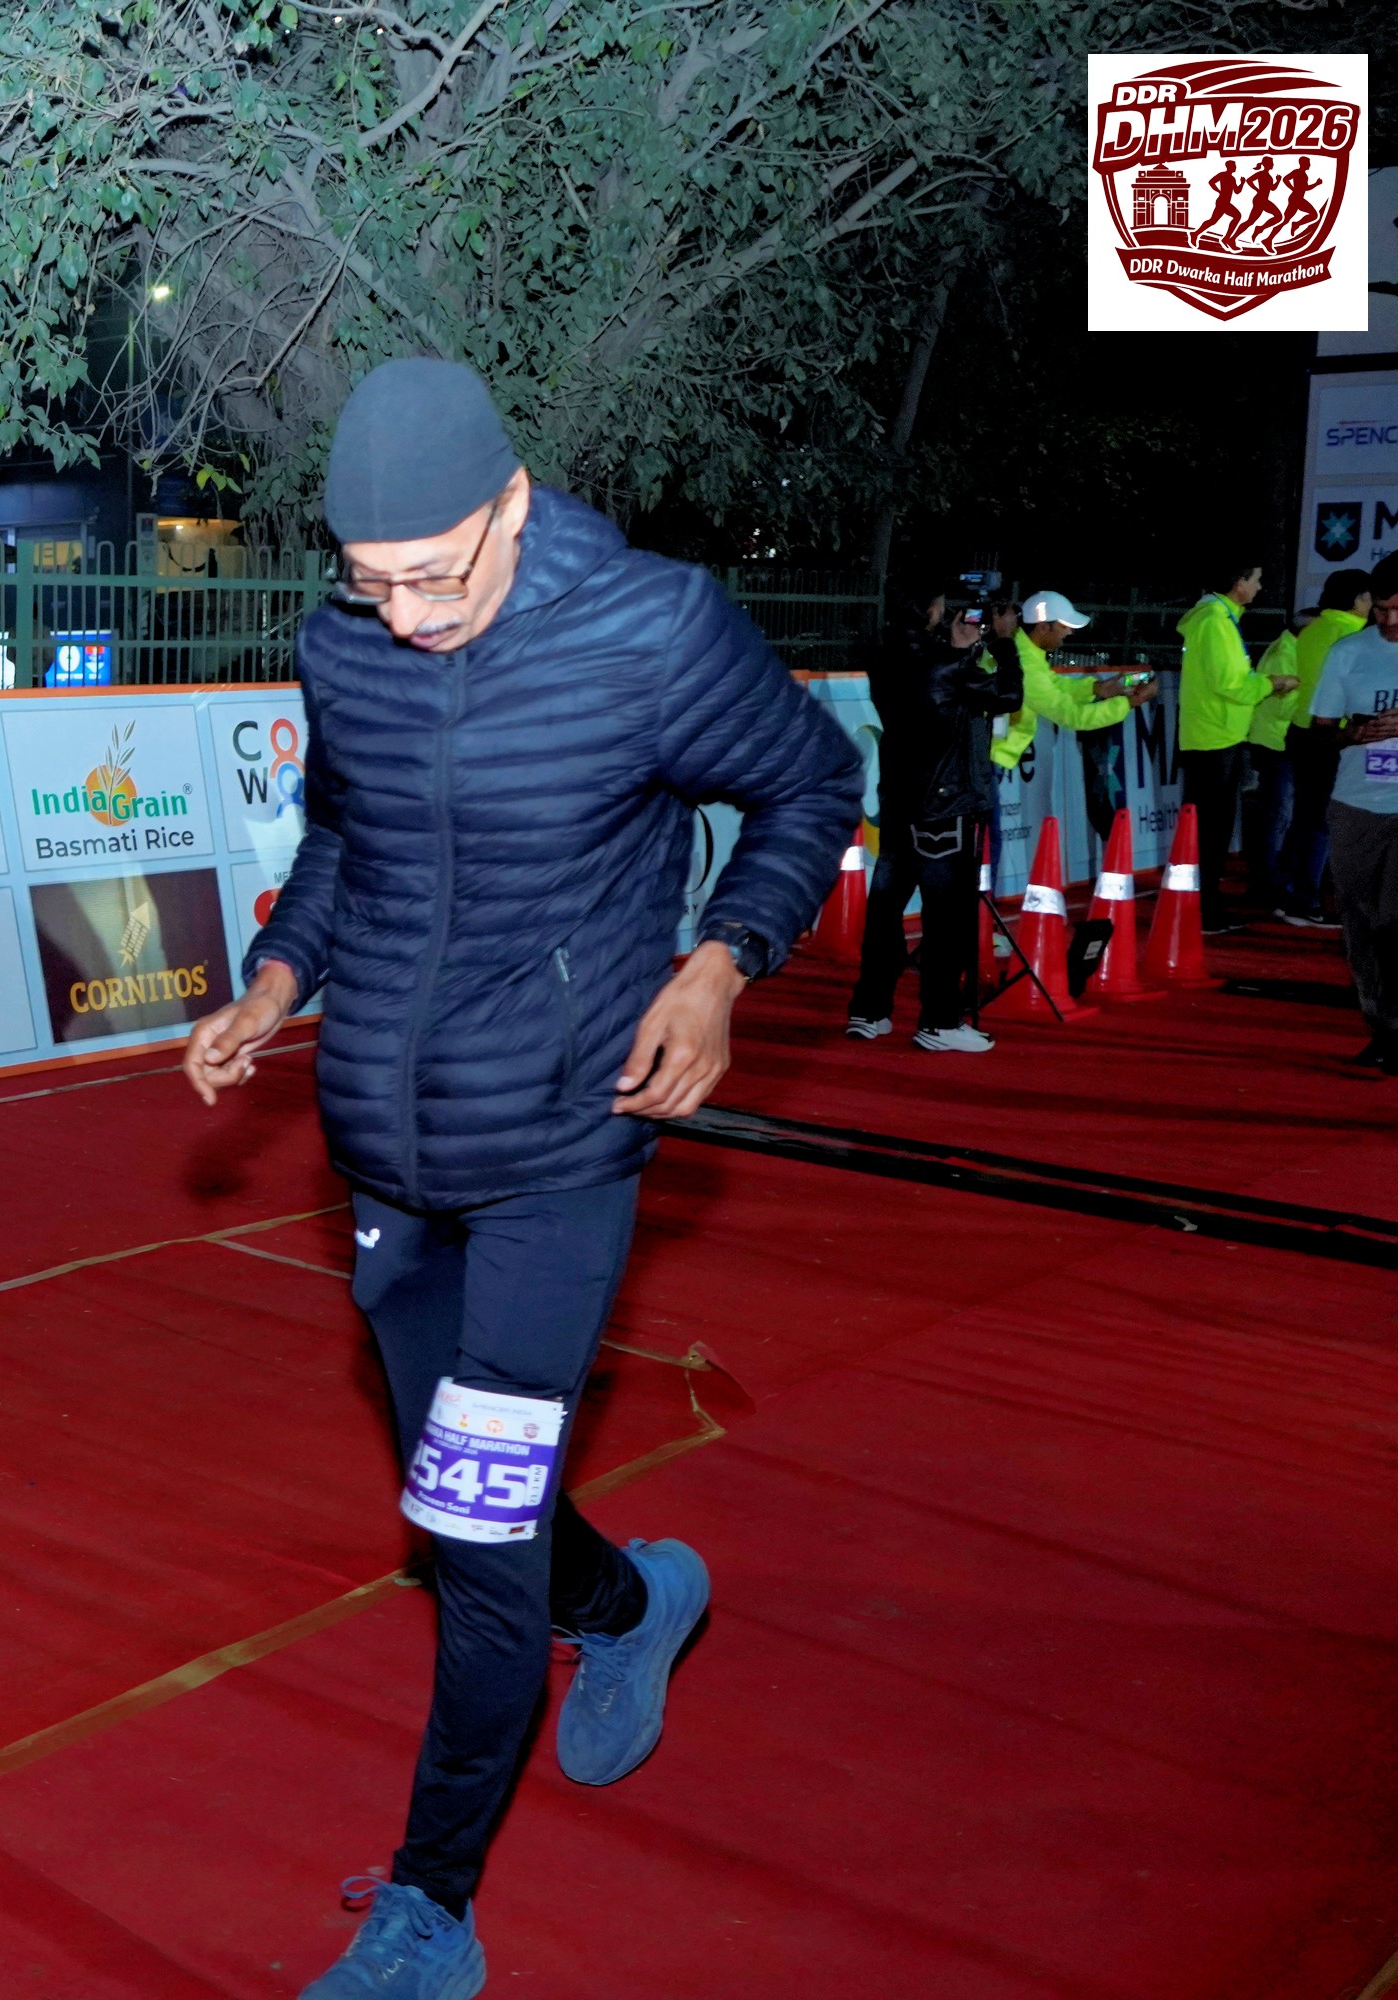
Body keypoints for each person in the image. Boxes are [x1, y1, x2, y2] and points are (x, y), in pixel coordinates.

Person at [180, 357, 863, 1999]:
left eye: (437, 576)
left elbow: (812, 783)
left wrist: (722, 961)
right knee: (468, 1483)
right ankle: (629, 1603)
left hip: (562, 1147)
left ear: (511, 504)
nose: (408, 618)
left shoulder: (652, 627)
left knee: (470, 1543)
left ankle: (432, 1911)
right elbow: (344, 839)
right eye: (374, 584)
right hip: (386, 1147)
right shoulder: (349, 645)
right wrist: (276, 982)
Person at [849, 585, 1021, 1052]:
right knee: (947, 919)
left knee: (885, 911)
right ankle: (940, 1021)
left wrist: (959, 651)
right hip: (944, 806)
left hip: (900, 799)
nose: (948, 612)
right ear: (928, 610)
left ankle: (869, 1010)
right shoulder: (946, 664)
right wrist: (1004, 643)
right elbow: (1008, 695)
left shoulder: (885, 657)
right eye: (942, 605)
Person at [1304, 586, 1398, 1071]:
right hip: (1357, 805)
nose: (1389, 621)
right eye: (1381, 610)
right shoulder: (1348, 651)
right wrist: (1354, 733)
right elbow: (1318, 731)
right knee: (1361, 925)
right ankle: (1384, 1030)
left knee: (1394, 920)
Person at [1176, 562, 1294, 934]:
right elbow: (1230, 683)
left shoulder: (1217, 618)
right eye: (1256, 579)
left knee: (1212, 829)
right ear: (1238, 581)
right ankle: (1204, 909)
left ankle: (1205, 905)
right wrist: (1272, 684)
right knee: (1211, 831)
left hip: (1216, 735)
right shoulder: (1214, 621)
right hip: (1214, 738)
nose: (1259, 587)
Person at [990, 592, 1141, 864]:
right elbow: (1072, 716)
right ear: (1042, 627)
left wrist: (1097, 689)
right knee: (989, 842)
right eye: (1064, 625)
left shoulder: (1024, 652)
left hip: (986, 754)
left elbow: (1054, 685)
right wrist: (1128, 704)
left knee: (987, 840)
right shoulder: (1025, 661)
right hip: (985, 757)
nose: (1070, 632)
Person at [1277, 569, 1376, 926]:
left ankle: (1289, 892)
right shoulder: (1354, 635)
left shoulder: (1313, 629)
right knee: (1324, 821)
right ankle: (1306, 900)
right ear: (1358, 599)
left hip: (1302, 731)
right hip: (1335, 735)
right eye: (1371, 598)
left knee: (1306, 818)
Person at [1243, 604, 1314, 911]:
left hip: (1279, 742)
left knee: (1281, 815)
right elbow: (1282, 707)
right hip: (1274, 743)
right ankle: (1267, 883)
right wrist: (1310, 692)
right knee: (1279, 815)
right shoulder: (1286, 654)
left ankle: (1271, 880)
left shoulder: (1290, 649)